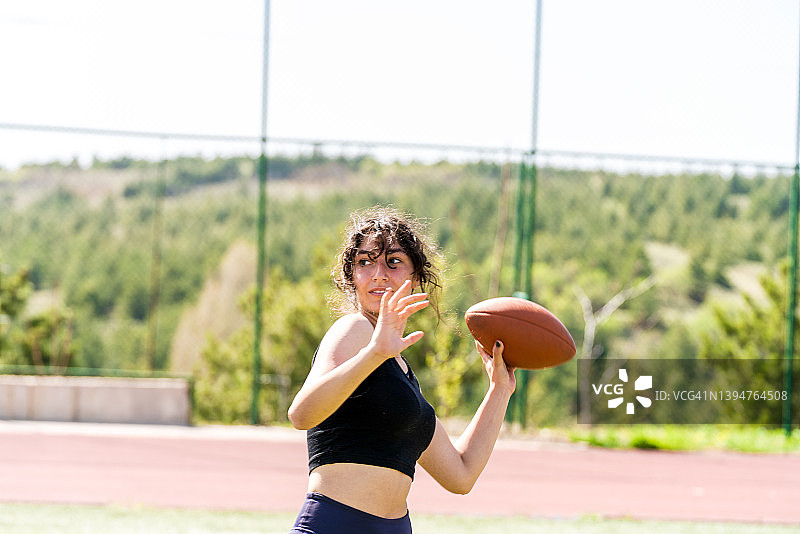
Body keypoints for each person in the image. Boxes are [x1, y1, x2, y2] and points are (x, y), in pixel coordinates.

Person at [287, 206, 516, 534]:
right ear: (353, 278)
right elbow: (301, 414)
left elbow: (461, 475)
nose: (378, 273)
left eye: (393, 262)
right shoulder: (354, 331)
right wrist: (373, 353)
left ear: (416, 278)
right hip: (335, 524)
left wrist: (499, 390)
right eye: (364, 262)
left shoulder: (404, 376)